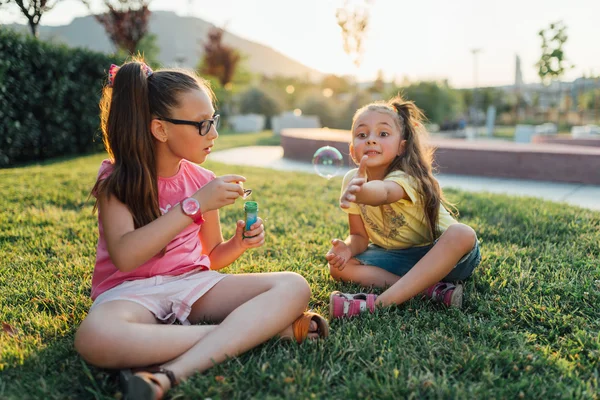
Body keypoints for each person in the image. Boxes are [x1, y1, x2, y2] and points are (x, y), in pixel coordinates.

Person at [74, 59, 328, 400]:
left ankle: (170, 371)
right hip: (131, 294)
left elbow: (211, 257)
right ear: (160, 129)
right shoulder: (117, 179)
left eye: (214, 121)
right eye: (202, 125)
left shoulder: (201, 180)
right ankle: (255, 332)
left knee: (293, 285)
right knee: (95, 336)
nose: (214, 134)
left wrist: (238, 244)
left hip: (194, 287)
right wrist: (193, 205)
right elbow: (125, 256)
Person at [325, 96, 481, 319]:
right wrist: (348, 248)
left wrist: (361, 191)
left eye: (383, 134)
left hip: (447, 256)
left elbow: (384, 193)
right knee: (338, 267)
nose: (370, 140)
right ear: (352, 150)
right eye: (362, 135)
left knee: (462, 233)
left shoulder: (407, 178)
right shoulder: (352, 179)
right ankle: (429, 291)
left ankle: (378, 304)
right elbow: (359, 235)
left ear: (401, 147)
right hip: (400, 257)